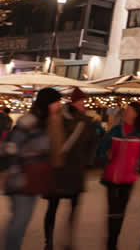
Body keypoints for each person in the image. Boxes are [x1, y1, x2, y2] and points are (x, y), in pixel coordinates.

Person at [2, 88, 65, 250]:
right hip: (21, 179)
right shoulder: (29, 121)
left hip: (34, 179)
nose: (59, 105)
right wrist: (31, 155)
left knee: (22, 221)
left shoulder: (48, 122)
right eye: (56, 102)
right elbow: (10, 147)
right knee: (19, 222)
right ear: (48, 103)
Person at [44, 88, 97, 250]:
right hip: (72, 170)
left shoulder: (56, 117)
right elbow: (92, 144)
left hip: (59, 169)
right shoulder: (84, 121)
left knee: (54, 207)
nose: (84, 104)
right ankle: (64, 240)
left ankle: (51, 242)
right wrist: (86, 162)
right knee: (69, 207)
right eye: (82, 101)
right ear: (76, 102)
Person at [99, 102, 140, 250]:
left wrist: (139, 164)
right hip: (111, 177)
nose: (126, 113)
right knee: (113, 211)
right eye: (126, 110)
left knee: (120, 211)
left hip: (128, 178)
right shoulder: (115, 131)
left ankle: (114, 239)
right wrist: (106, 159)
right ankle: (111, 244)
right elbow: (101, 149)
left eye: (130, 111)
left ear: (136, 114)